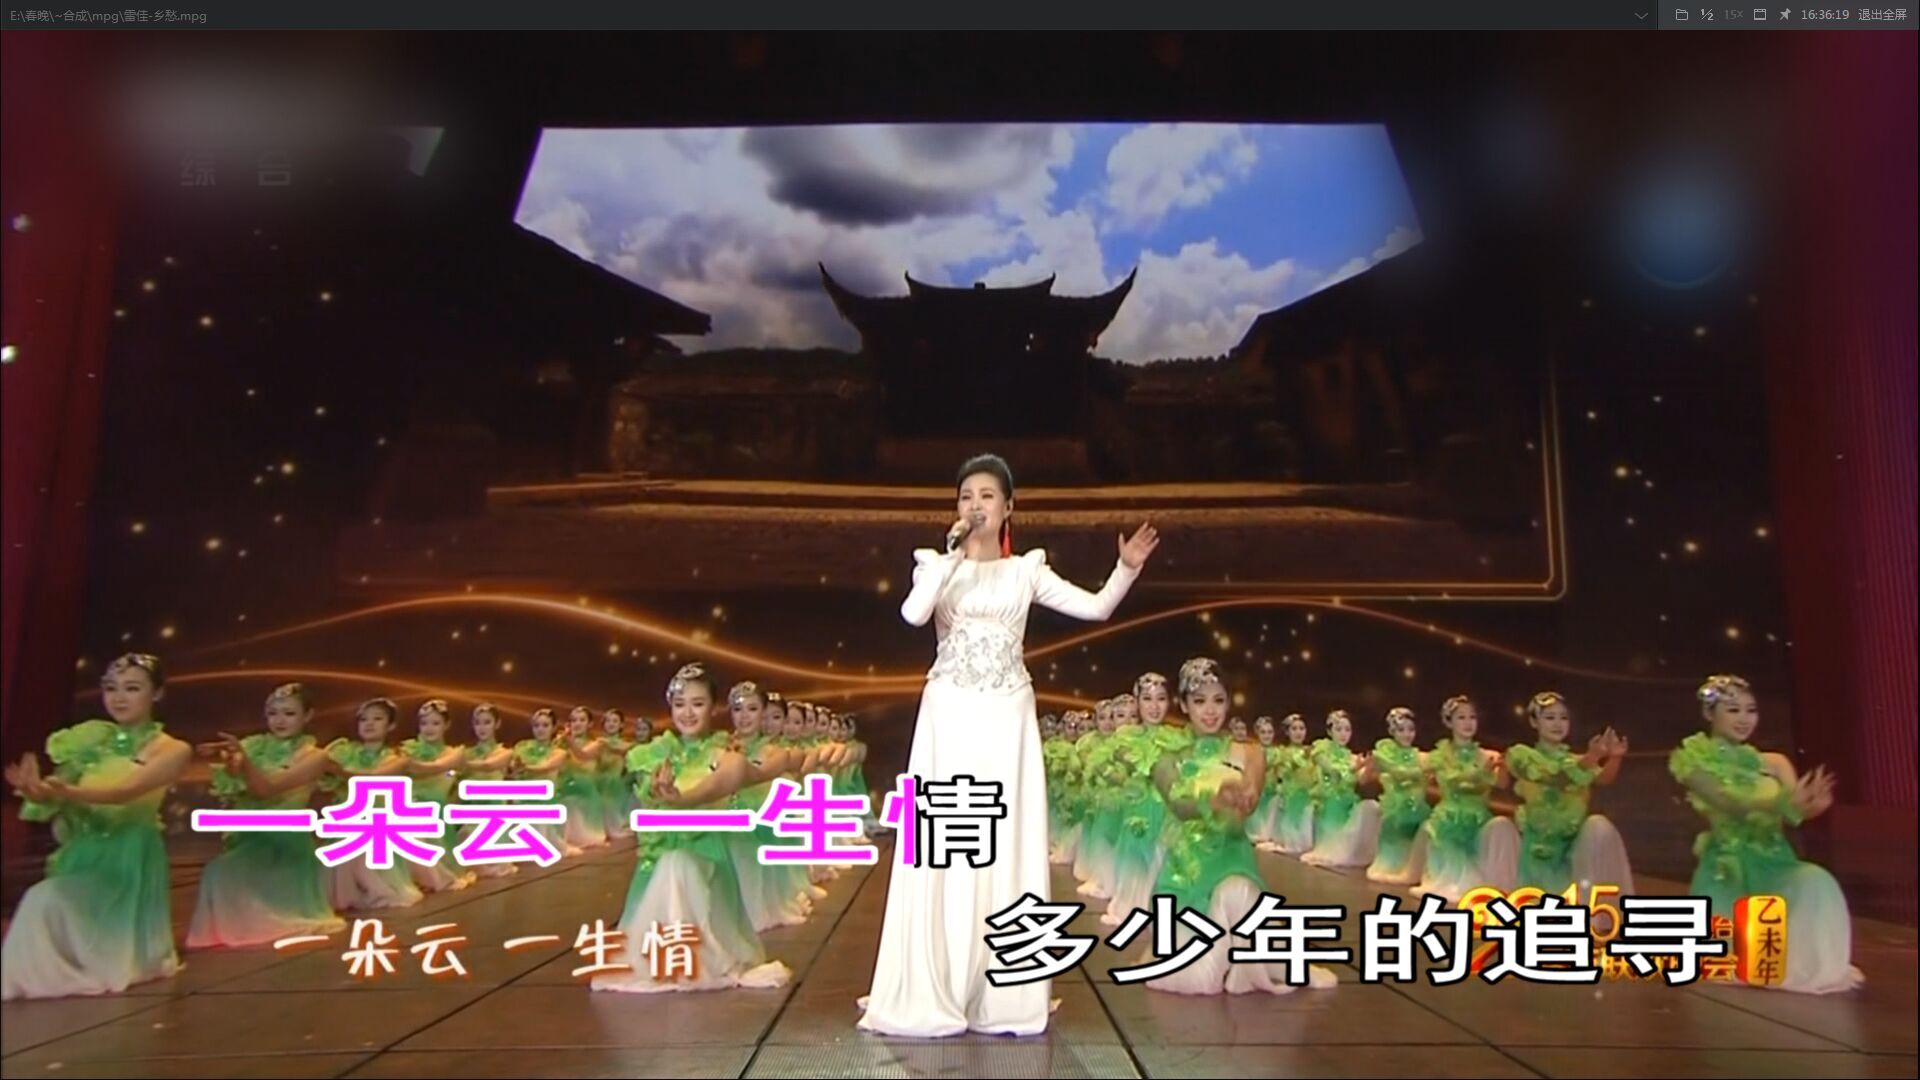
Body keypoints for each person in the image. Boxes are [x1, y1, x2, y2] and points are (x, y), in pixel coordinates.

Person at [858, 452, 1158, 1038]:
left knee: (1001, 838)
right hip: (949, 713)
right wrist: (949, 556)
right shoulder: (936, 566)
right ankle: (938, 982)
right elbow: (913, 615)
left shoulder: (1026, 571)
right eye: (966, 495)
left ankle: (1003, 986)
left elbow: (1096, 607)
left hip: (1006, 715)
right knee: (947, 838)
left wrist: (1125, 569)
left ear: (1009, 507)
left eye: (987, 495)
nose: (975, 505)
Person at [3, 653, 191, 999]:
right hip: (85, 851)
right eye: (111, 688)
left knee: (43, 899)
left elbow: (124, 792)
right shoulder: (92, 741)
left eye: (131, 688)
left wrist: (65, 791)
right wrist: (35, 789)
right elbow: (55, 795)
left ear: (156, 693)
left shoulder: (173, 749)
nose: (119, 698)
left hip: (128, 855)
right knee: (46, 900)